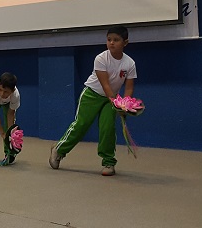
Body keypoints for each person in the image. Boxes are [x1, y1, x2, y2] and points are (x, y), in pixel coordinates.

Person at [49, 26, 137, 176]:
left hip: (112, 99)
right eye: (109, 40)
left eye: (116, 40)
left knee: (108, 129)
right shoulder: (101, 58)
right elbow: (106, 85)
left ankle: (108, 162)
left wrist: (126, 104)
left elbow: (129, 87)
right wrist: (117, 103)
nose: (111, 43)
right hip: (92, 95)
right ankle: (59, 150)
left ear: (125, 42)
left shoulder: (130, 63)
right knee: (81, 125)